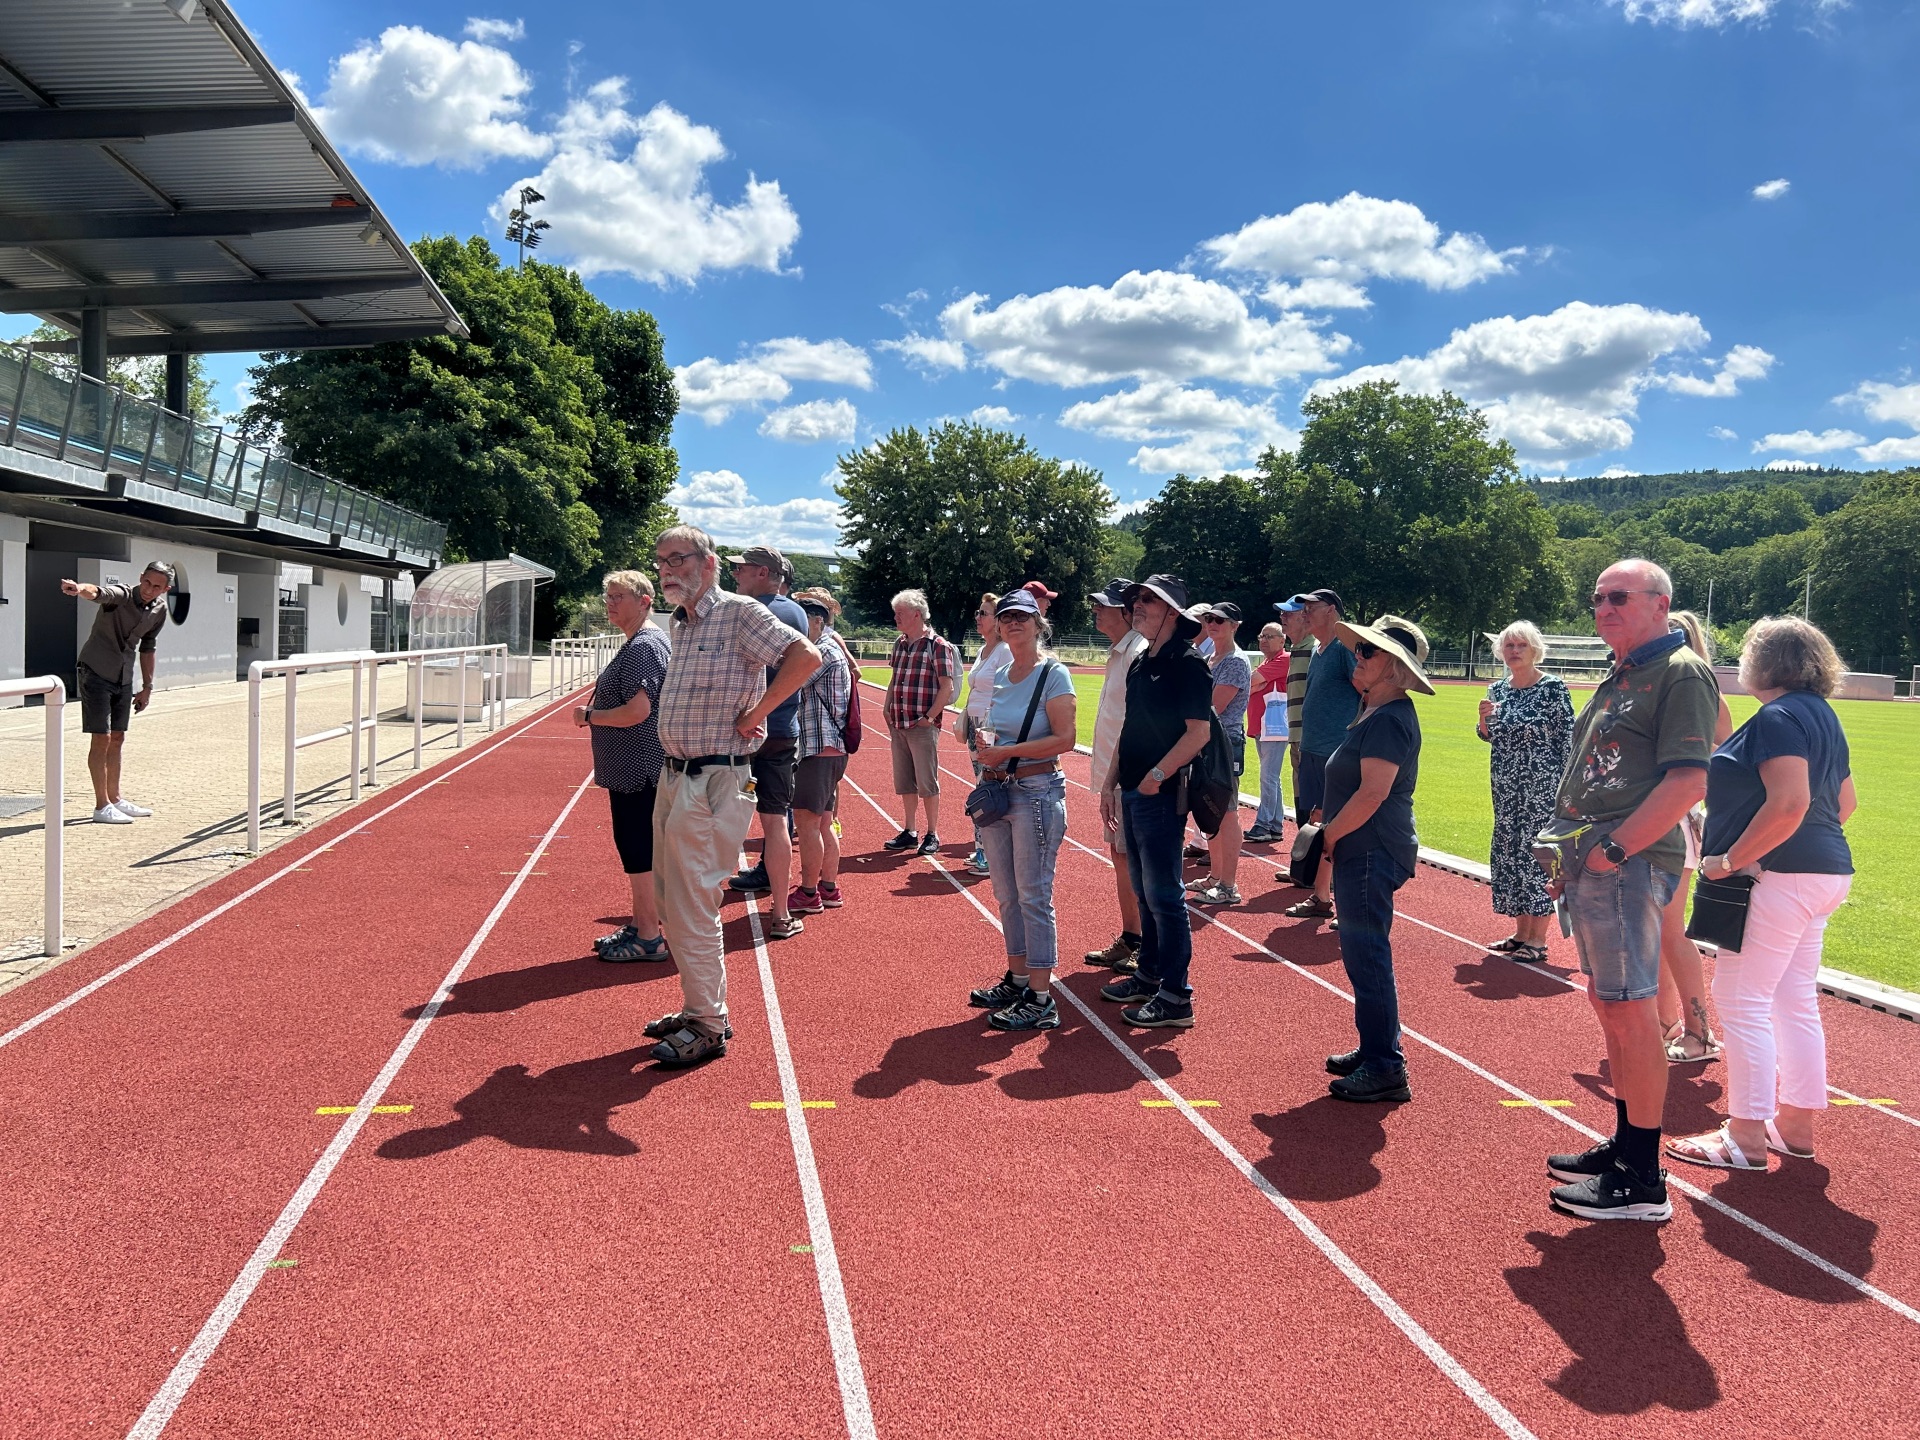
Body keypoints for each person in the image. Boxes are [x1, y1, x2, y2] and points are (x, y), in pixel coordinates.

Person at [1544, 559, 1717, 1222]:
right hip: (1600, 863)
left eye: (1618, 597)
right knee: (1611, 1005)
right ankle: (1626, 1146)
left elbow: (1687, 781)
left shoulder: (1680, 673)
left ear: (1660, 603)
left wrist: (1614, 849)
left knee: (1631, 1010)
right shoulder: (1625, 674)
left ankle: (1642, 1177)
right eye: (1596, 598)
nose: (1603, 607)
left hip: (1630, 863)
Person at [1665, 618, 1857, 1173]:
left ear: (1764, 662)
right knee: (1793, 1000)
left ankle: (1746, 1134)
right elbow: (1842, 805)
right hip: (1820, 872)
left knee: (1744, 1000)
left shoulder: (1777, 717)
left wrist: (1732, 859)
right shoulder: (1822, 716)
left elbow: (1790, 802)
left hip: (1779, 878)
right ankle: (1793, 1124)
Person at [645, 525, 819, 1066]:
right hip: (676, 777)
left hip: (714, 779)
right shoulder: (680, 621)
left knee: (694, 900)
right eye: (662, 562)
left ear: (709, 562)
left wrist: (759, 713)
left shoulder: (739, 613)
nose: (669, 569)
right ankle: (699, 1002)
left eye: (679, 559)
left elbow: (806, 656)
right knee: (670, 896)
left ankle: (708, 1023)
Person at [1318, 616, 1432, 1102]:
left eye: (1369, 651)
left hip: (1372, 849)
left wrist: (1327, 836)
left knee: (1368, 957)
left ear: (1395, 667)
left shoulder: (1388, 718)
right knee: (1361, 955)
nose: (1358, 656)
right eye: (1360, 648)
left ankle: (1386, 1066)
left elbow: (1372, 794)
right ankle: (1375, 1048)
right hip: (1363, 848)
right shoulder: (1373, 710)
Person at [1099, 575, 1214, 1029]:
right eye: (1136, 600)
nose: (1137, 606)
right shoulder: (1141, 661)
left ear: (1171, 610)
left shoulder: (1189, 664)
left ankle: (1175, 996)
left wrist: (1155, 777)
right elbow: (1129, 728)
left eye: (1147, 599)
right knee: (1145, 892)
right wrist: (1111, 781)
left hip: (1161, 796)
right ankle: (1149, 974)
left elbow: (1199, 733)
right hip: (1132, 790)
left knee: (1165, 895)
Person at [966, 590, 1078, 1030]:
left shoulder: (1054, 673)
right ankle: (1017, 980)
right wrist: (984, 744)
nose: (1014, 624)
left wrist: (1007, 751)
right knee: (1006, 893)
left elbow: (1065, 739)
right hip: (998, 790)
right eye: (1007, 617)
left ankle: (1041, 996)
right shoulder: (1003, 674)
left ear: (1038, 624)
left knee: (1033, 894)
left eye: (1022, 618)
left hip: (1036, 790)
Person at [576, 571, 672, 963]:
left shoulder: (643, 646)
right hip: (638, 767)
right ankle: (641, 923)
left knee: (638, 851)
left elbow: (638, 710)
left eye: (619, 596)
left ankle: (649, 935)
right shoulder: (643, 642)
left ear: (644, 600)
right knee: (638, 850)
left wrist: (590, 715)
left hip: (639, 769)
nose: (610, 603)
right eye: (608, 596)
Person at [1655, 610, 1735, 1062]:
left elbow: (1725, 764)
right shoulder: (1660, 691)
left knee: (1670, 928)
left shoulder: (1705, 696)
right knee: (1658, 931)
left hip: (1678, 821)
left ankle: (1699, 1032)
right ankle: (1665, 1024)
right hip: (1654, 820)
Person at [724, 546, 810, 940]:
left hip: (746, 730)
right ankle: (779, 913)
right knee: (775, 822)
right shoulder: (794, 611)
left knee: (723, 815)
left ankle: (698, 914)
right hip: (780, 732)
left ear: (762, 573)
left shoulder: (754, 612)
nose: (735, 574)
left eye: (741, 569)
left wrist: (753, 714)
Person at [1477, 620, 1574, 964]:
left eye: (1521, 645)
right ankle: (1520, 933)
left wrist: (1566, 790)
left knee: (1536, 855)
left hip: (1543, 786)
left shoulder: (1552, 688)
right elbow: (1488, 736)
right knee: (1511, 853)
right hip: (1505, 786)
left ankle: (1538, 939)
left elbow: (1568, 738)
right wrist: (1483, 720)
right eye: (1509, 646)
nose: (1514, 651)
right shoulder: (1496, 690)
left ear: (1535, 649)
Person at [62, 561, 173, 823]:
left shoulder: (159, 610)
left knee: (118, 737)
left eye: (157, 586)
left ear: (165, 589)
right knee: (101, 737)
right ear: (141, 577)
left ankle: (115, 799)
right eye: (147, 582)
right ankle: (101, 806)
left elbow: (148, 647)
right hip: (96, 670)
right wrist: (79, 589)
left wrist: (147, 687)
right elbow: (98, 592)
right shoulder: (122, 594)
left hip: (123, 675)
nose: (149, 589)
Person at [1283, 588, 1359, 920]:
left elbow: (1365, 692)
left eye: (1310, 607)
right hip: (1313, 748)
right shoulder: (1318, 649)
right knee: (1320, 824)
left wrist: (1353, 741)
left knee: (1343, 827)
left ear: (1330, 610)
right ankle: (1320, 897)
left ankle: (1350, 904)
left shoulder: (1344, 649)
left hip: (1336, 751)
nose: (1304, 613)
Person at [1084, 578, 1148, 971]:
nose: (1096, 611)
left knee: (1135, 860)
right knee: (1121, 857)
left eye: (1103, 605)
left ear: (1126, 612)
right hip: (1117, 776)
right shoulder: (1120, 651)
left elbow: (1136, 724)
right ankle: (1132, 937)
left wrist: (1115, 780)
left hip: (1130, 776)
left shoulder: (1137, 652)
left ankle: (1145, 944)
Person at [882, 589, 960, 857]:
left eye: (900, 613)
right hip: (900, 722)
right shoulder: (900, 643)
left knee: (927, 782)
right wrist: (887, 705)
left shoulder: (938, 646)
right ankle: (910, 831)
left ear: (916, 615)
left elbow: (946, 687)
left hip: (921, 725)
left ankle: (932, 833)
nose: (895, 618)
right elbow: (895, 679)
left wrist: (929, 718)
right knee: (904, 780)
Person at [787, 595, 852, 918]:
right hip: (828, 748)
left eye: (798, 620)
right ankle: (827, 887)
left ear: (815, 621)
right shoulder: (829, 648)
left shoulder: (821, 651)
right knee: (824, 823)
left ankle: (810, 892)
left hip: (818, 748)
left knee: (807, 823)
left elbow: (789, 681)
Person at [1188, 603, 1249, 907]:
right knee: (1211, 810)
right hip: (1208, 742)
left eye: (1219, 620)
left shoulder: (1236, 662)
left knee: (1227, 812)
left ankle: (1229, 884)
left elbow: (1215, 706)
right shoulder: (1212, 657)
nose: (1212, 624)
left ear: (1234, 625)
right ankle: (1216, 876)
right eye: (1209, 618)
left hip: (1225, 743)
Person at [961, 592, 1010, 876]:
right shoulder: (983, 650)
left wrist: (989, 729)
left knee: (987, 787)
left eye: (984, 613)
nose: (978, 618)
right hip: (974, 724)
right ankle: (982, 847)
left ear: (998, 620)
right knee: (980, 785)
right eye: (978, 612)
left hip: (989, 728)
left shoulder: (1004, 651)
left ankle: (989, 854)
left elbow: (1003, 692)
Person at [1246, 622, 1291, 844]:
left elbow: (1249, 682)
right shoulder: (1267, 662)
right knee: (1272, 778)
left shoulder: (1284, 660)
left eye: (1269, 636)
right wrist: (1255, 685)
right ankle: (1274, 825)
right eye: (1261, 635)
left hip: (1273, 728)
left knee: (1268, 777)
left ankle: (1263, 824)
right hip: (1264, 727)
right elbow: (1251, 685)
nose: (1263, 639)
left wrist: (1256, 685)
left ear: (1282, 641)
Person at [1276, 600, 1314, 823]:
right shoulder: (1298, 650)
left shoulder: (1313, 650)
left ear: (1305, 617)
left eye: (1288, 613)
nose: (1282, 617)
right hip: (1297, 737)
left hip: (1310, 739)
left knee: (1312, 808)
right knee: (1302, 804)